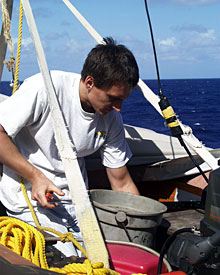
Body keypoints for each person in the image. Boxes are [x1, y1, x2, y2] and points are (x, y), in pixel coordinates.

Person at [0, 37, 140, 257]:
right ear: (90, 82)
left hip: (79, 204)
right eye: (113, 98)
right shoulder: (46, 88)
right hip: (30, 204)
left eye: (123, 100)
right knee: (70, 262)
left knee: (111, 259)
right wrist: (35, 177)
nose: (119, 108)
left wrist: (140, 223)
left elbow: (121, 183)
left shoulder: (111, 117)